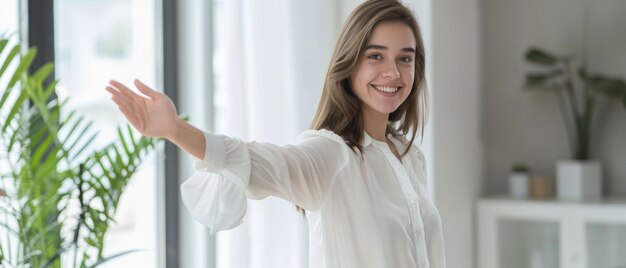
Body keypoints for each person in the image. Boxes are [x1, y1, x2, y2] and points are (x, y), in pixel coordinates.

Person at [105, 0, 445, 267]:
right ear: (350, 63)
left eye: (405, 59)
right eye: (376, 56)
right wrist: (176, 129)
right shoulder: (330, 153)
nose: (393, 72)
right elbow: (253, 160)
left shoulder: (410, 155)